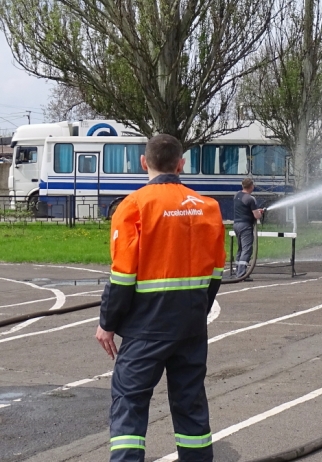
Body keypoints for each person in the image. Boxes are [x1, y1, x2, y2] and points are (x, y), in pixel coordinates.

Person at [95, 134, 226, 462]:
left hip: (146, 327)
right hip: (192, 327)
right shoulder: (208, 208)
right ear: (181, 165)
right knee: (190, 402)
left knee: (129, 402)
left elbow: (122, 277)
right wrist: (197, 312)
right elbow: (215, 275)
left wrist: (107, 324)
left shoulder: (133, 206)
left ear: (144, 163)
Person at [233, 178, 263, 278]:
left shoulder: (237, 195)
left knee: (240, 249)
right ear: (251, 186)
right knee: (246, 250)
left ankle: (237, 270)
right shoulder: (250, 199)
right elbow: (257, 216)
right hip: (245, 226)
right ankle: (242, 274)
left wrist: (255, 210)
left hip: (236, 224)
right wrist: (260, 212)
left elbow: (244, 208)